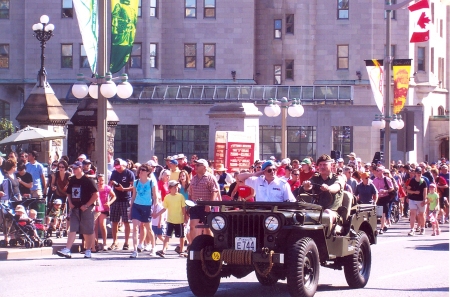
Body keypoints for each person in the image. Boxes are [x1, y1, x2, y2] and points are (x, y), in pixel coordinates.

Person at [56, 161, 99, 259]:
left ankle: (88, 250)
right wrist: (70, 203)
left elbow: (96, 195)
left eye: (76, 168)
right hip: (75, 208)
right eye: (73, 168)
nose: (74, 170)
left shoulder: (88, 180)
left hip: (86, 209)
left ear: (81, 168)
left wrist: (87, 205)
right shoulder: (72, 180)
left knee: (87, 231)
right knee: (73, 228)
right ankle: (67, 249)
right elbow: (69, 193)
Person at [301, 154, 345, 222]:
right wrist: (306, 186)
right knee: (301, 214)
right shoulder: (316, 178)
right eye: (320, 165)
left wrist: (329, 188)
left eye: (324, 165)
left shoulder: (338, 178)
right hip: (317, 211)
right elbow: (309, 186)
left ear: (331, 165)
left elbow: (337, 187)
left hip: (334, 213)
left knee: (327, 213)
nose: (322, 167)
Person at [129, 164, 157, 258]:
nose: (141, 171)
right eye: (140, 170)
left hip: (147, 206)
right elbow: (133, 196)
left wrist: (154, 209)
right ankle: (135, 250)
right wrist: (131, 209)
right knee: (135, 228)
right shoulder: (136, 182)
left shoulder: (151, 182)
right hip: (136, 206)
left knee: (148, 228)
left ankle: (153, 248)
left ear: (148, 172)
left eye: (143, 170)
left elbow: (155, 197)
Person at [188, 159, 220, 240]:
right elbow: (190, 193)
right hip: (195, 206)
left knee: (207, 228)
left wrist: (209, 204)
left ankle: (210, 245)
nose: (196, 167)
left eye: (198, 165)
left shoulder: (210, 177)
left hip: (206, 206)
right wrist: (188, 205)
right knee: (192, 226)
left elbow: (214, 191)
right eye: (195, 165)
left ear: (204, 167)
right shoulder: (194, 178)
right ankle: (193, 247)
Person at [155, 180, 187, 258]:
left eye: (177, 187)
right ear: (169, 188)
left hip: (179, 220)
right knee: (167, 236)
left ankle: (181, 251)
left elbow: (183, 209)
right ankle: (163, 251)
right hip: (170, 220)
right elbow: (164, 208)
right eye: (174, 187)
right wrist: (157, 214)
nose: (176, 189)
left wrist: (185, 219)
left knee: (181, 236)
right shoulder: (167, 197)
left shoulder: (180, 196)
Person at [108, 158, 135, 251]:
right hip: (115, 199)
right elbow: (110, 184)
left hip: (125, 199)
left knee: (126, 222)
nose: (117, 168)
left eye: (119, 166)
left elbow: (133, 187)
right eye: (116, 167)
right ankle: (115, 242)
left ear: (124, 165)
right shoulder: (114, 173)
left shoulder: (129, 173)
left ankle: (126, 242)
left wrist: (124, 189)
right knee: (114, 221)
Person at [94, 174, 116, 251]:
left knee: (102, 224)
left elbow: (114, 196)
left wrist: (109, 203)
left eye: (102, 180)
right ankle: (95, 243)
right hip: (96, 207)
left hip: (104, 208)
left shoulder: (107, 188)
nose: (101, 182)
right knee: (95, 225)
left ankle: (105, 243)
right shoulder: (95, 187)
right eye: (99, 180)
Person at [372, 166, 394, 234]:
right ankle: (384, 225)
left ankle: (381, 228)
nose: (377, 171)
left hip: (385, 197)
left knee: (383, 212)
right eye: (377, 170)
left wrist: (385, 191)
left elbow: (392, 188)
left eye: (378, 170)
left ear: (382, 171)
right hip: (378, 198)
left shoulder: (387, 179)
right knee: (379, 213)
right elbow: (373, 189)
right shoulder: (375, 180)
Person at [406, 167, 428, 236]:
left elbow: (425, 192)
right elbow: (408, 190)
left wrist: (425, 200)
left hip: (421, 200)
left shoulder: (423, 181)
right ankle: (412, 229)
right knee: (413, 213)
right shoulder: (412, 181)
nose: (419, 174)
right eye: (417, 172)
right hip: (413, 199)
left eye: (420, 172)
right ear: (415, 173)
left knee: (421, 214)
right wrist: (414, 192)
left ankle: (422, 228)